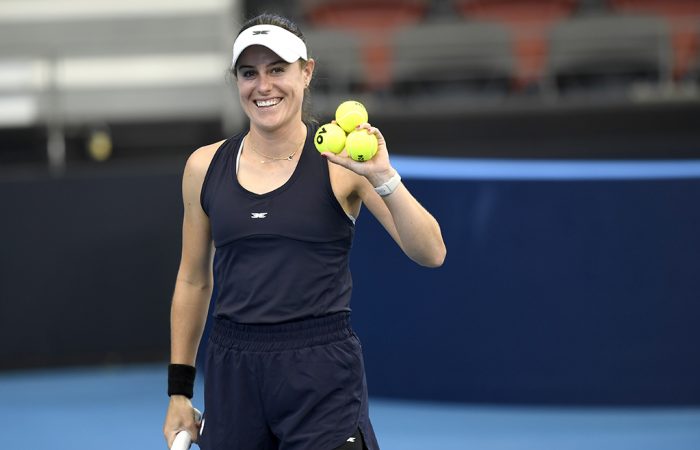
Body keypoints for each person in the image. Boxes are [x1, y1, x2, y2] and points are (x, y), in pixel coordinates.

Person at [162, 13, 446, 450]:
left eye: (278, 70)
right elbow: (193, 280)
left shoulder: (343, 166)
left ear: (306, 72)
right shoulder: (203, 166)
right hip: (233, 372)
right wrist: (179, 391)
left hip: (322, 372)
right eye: (249, 73)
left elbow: (431, 251)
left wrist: (384, 176)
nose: (264, 86)